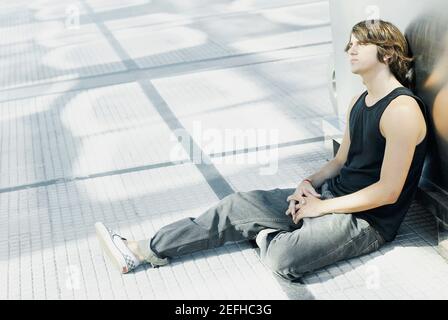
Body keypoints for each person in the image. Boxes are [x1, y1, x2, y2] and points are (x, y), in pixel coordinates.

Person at [95, 19, 428, 281]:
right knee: (236, 205)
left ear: (387, 54)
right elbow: (341, 160)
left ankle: (270, 231)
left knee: (282, 259)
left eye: (360, 44)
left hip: (365, 221)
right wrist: (308, 185)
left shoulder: (401, 110)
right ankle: (140, 250)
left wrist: (322, 210)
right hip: (329, 197)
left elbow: (388, 191)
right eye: (349, 44)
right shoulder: (358, 100)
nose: (350, 50)